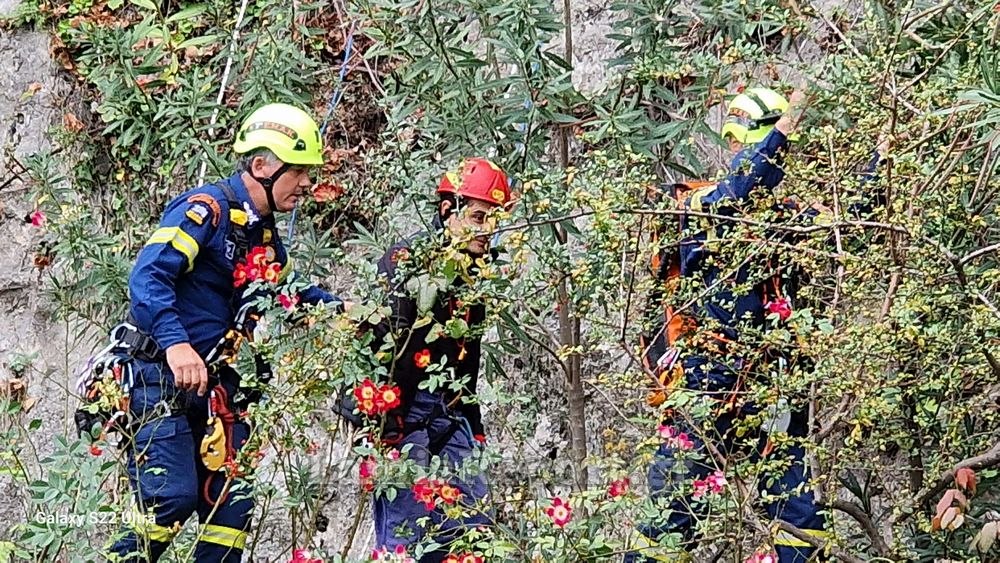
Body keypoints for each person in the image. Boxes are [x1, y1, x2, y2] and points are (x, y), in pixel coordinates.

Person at [99, 102, 345, 562]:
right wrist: (177, 346)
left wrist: (344, 310)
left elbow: (287, 290)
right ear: (261, 166)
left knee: (230, 512)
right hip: (157, 377)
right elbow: (149, 278)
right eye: (300, 172)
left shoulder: (262, 235)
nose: (308, 184)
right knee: (169, 502)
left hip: (215, 391)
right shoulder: (204, 211)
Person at [625, 87, 830, 562]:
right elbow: (740, 188)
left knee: (796, 507)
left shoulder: (784, 218)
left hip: (773, 379)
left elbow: (847, 224)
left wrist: (878, 161)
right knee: (672, 510)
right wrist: (783, 131)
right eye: (774, 145)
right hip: (706, 379)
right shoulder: (703, 205)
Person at [367, 157, 511, 562]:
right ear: (449, 210)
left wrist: (475, 426)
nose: (490, 230)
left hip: (448, 414)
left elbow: (467, 360)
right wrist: (383, 431)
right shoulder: (407, 262)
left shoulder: (473, 274)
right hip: (400, 416)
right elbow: (382, 349)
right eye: (481, 216)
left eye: (495, 219)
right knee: (406, 540)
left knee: (475, 529)